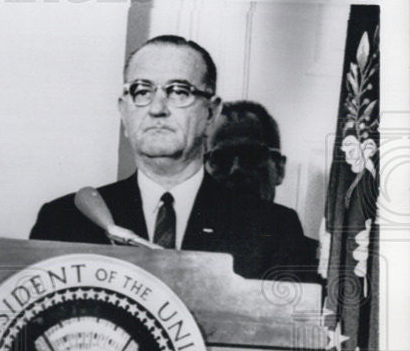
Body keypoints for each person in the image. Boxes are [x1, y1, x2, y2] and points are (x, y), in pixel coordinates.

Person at [29, 35, 315, 280]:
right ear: (124, 111)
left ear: (211, 113)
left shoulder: (273, 229)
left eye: (179, 91)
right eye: (142, 91)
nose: (157, 108)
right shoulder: (63, 222)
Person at [207, 99, 319, 267]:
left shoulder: (319, 263)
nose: (236, 170)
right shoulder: (183, 249)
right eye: (221, 159)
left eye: (251, 155)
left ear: (279, 168)